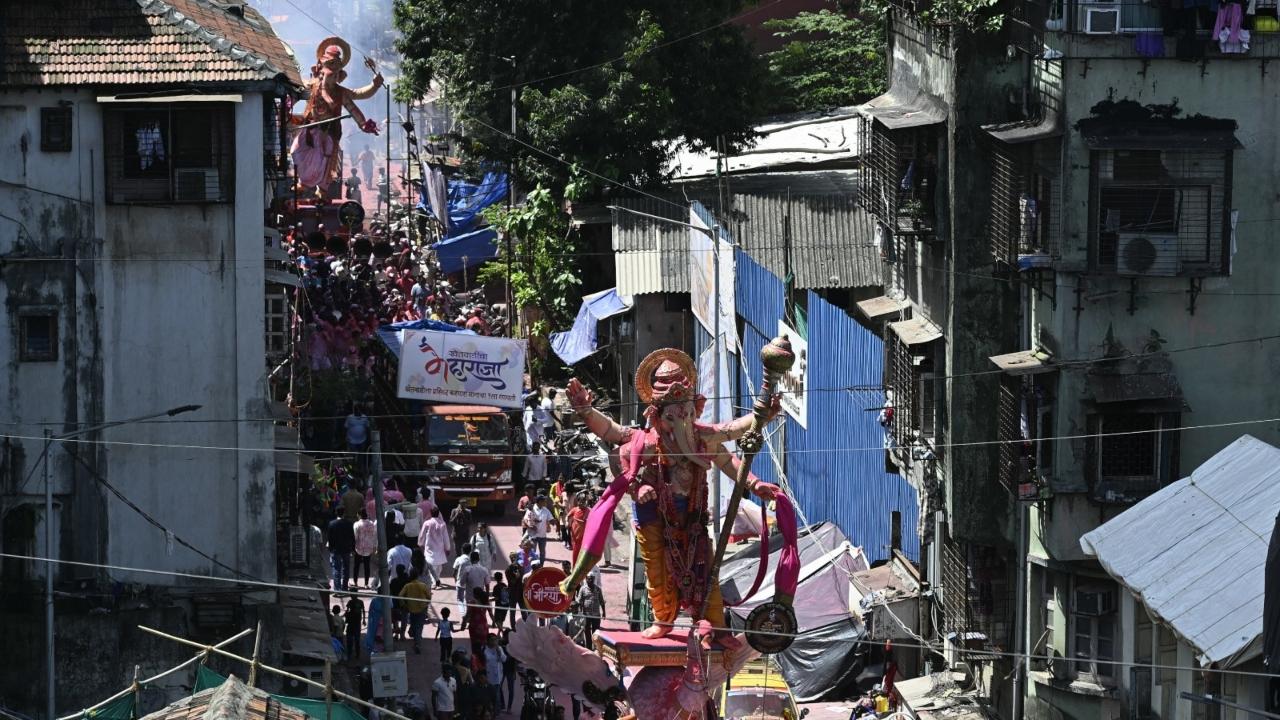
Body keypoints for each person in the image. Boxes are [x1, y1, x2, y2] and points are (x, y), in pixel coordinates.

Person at [399, 569, 434, 653]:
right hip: (422, 609)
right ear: (417, 576)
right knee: (419, 627)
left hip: (411, 608)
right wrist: (426, 604)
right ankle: (417, 643)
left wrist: (404, 605)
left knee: (414, 623)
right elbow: (429, 596)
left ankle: (415, 638)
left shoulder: (408, 586)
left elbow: (400, 595)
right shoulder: (423, 585)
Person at [418, 506, 451, 589]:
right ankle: (436, 580)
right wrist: (448, 548)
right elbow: (446, 537)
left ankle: (434, 581)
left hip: (429, 546)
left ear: (431, 513)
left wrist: (420, 543)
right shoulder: (442, 524)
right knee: (439, 566)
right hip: (439, 547)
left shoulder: (427, 523)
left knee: (431, 565)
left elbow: (422, 535)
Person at [326, 508, 354, 591]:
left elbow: (329, 538)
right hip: (346, 549)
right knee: (346, 568)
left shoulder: (332, 524)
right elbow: (352, 537)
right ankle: (345, 587)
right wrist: (352, 548)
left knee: (336, 568)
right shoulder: (349, 523)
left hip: (335, 550)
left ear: (336, 513)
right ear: (344, 513)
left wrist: (330, 549)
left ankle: (337, 589)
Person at [576, 573, 605, 643]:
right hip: (586, 615)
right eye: (589, 578)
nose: (590, 580)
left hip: (596, 615)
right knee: (587, 631)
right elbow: (579, 601)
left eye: (592, 578)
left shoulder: (598, 589)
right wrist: (579, 612)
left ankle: (595, 647)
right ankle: (589, 646)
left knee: (596, 633)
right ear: (586, 579)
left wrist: (604, 612)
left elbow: (601, 601)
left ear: (594, 579)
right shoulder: (582, 589)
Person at [523, 495, 553, 563]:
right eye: (544, 501)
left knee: (542, 553)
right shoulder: (531, 508)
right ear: (539, 501)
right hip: (533, 535)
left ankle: (541, 567)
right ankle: (533, 568)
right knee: (533, 553)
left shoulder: (546, 510)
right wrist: (530, 526)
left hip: (542, 536)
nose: (545, 503)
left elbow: (551, 519)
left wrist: (554, 522)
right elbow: (526, 519)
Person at [482, 634, 507, 712]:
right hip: (488, 677)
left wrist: (498, 651)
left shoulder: (499, 648)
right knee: (489, 696)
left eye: (495, 640)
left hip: (498, 677)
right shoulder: (484, 650)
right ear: (488, 641)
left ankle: (496, 711)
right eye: (492, 640)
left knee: (497, 696)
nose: (494, 641)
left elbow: (504, 659)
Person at [353, 508, 377, 588]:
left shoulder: (357, 524)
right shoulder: (372, 523)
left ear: (359, 515)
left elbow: (355, 537)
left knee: (356, 565)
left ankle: (355, 582)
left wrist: (353, 547)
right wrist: (374, 546)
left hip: (358, 547)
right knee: (367, 566)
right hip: (368, 548)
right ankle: (366, 583)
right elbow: (373, 535)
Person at [466, 587, 491, 657]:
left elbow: (467, 615)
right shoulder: (486, 601)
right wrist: (494, 623)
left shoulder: (472, 602)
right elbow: (491, 613)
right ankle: (484, 658)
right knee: (484, 645)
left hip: (474, 626)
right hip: (484, 626)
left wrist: (463, 624)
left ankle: (476, 661)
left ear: (475, 595)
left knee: (475, 646)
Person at [388, 564, 409, 640]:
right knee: (404, 619)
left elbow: (390, 591)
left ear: (397, 571)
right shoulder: (407, 580)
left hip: (395, 603)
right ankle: (402, 635)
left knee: (395, 619)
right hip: (404, 603)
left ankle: (396, 634)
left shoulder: (393, 581)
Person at [504, 555, 524, 628]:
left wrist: (519, 572)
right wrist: (516, 577)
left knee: (523, 611)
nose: (514, 559)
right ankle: (513, 627)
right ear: (510, 559)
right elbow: (511, 582)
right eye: (512, 558)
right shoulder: (508, 570)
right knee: (512, 612)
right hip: (512, 593)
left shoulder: (520, 568)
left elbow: (522, 577)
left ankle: (525, 625)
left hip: (520, 593)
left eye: (515, 557)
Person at [501, 631, 519, 710]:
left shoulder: (514, 645)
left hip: (510, 670)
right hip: (501, 669)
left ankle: (509, 707)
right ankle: (502, 704)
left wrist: (515, 672)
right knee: (499, 687)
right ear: (504, 636)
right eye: (507, 636)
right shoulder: (500, 644)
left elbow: (515, 659)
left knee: (511, 689)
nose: (509, 637)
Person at [344, 594, 364, 661]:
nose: (351, 596)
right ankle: (350, 653)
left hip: (356, 622)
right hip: (351, 622)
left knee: (356, 639)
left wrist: (363, 620)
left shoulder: (360, 602)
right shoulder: (350, 602)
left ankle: (356, 653)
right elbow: (347, 610)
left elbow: (363, 611)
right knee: (350, 639)